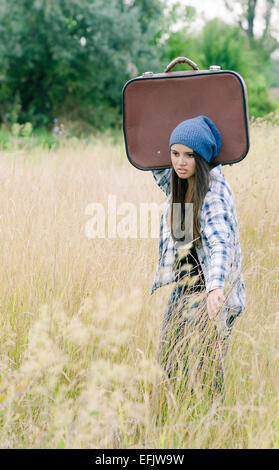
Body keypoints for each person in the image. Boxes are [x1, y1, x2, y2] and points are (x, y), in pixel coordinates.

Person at [150, 115, 246, 394]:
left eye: (189, 155)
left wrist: (215, 288)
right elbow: (155, 169)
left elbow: (220, 244)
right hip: (185, 285)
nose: (180, 162)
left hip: (211, 291)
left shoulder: (213, 192)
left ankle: (213, 423)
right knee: (170, 359)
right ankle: (172, 413)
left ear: (201, 157)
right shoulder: (180, 183)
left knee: (208, 366)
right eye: (175, 153)